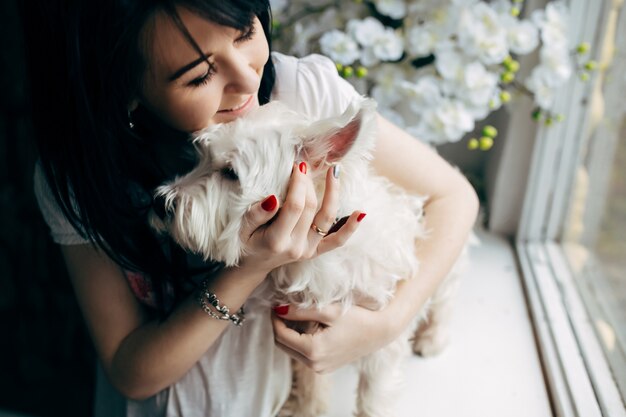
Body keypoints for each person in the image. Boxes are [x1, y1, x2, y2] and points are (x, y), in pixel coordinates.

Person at [25, 1, 479, 416]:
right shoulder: (79, 178)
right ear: (126, 88)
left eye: (244, 33)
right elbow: (133, 373)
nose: (247, 81)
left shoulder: (303, 97)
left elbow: (454, 197)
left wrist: (386, 325)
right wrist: (252, 267)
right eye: (199, 75)